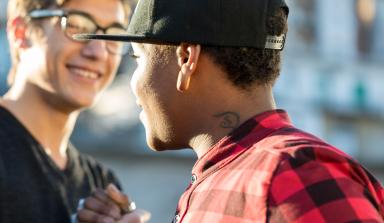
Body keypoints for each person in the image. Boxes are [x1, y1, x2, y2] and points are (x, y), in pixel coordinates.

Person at [74, 0, 384, 222]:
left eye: (137, 58)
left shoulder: (290, 176)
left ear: (185, 59)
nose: (134, 83)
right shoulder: (235, 173)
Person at [0, 0, 147, 222]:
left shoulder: (102, 187)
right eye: (76, 24)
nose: (98, 52)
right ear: (21, 33)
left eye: (114, 35)